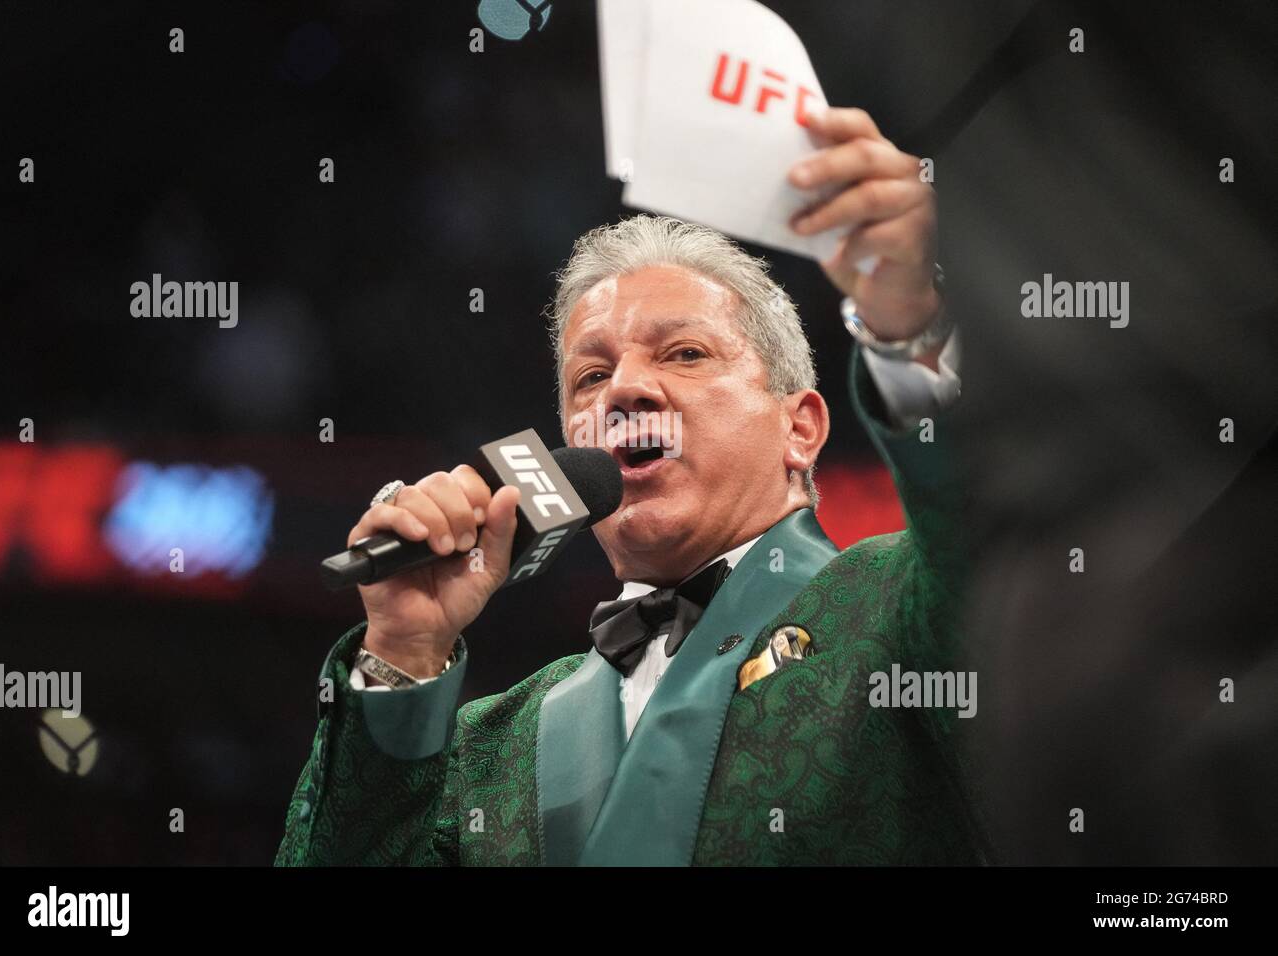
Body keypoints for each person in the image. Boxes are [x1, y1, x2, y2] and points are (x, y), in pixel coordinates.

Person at [276, 107, 986, 865]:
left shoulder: (900, 608)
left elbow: (992, 522)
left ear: (801, 429)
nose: (625, 390)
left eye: (683, 354)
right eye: (591, 376)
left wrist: (909, 328)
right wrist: (403, 650)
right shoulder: (491, 741)